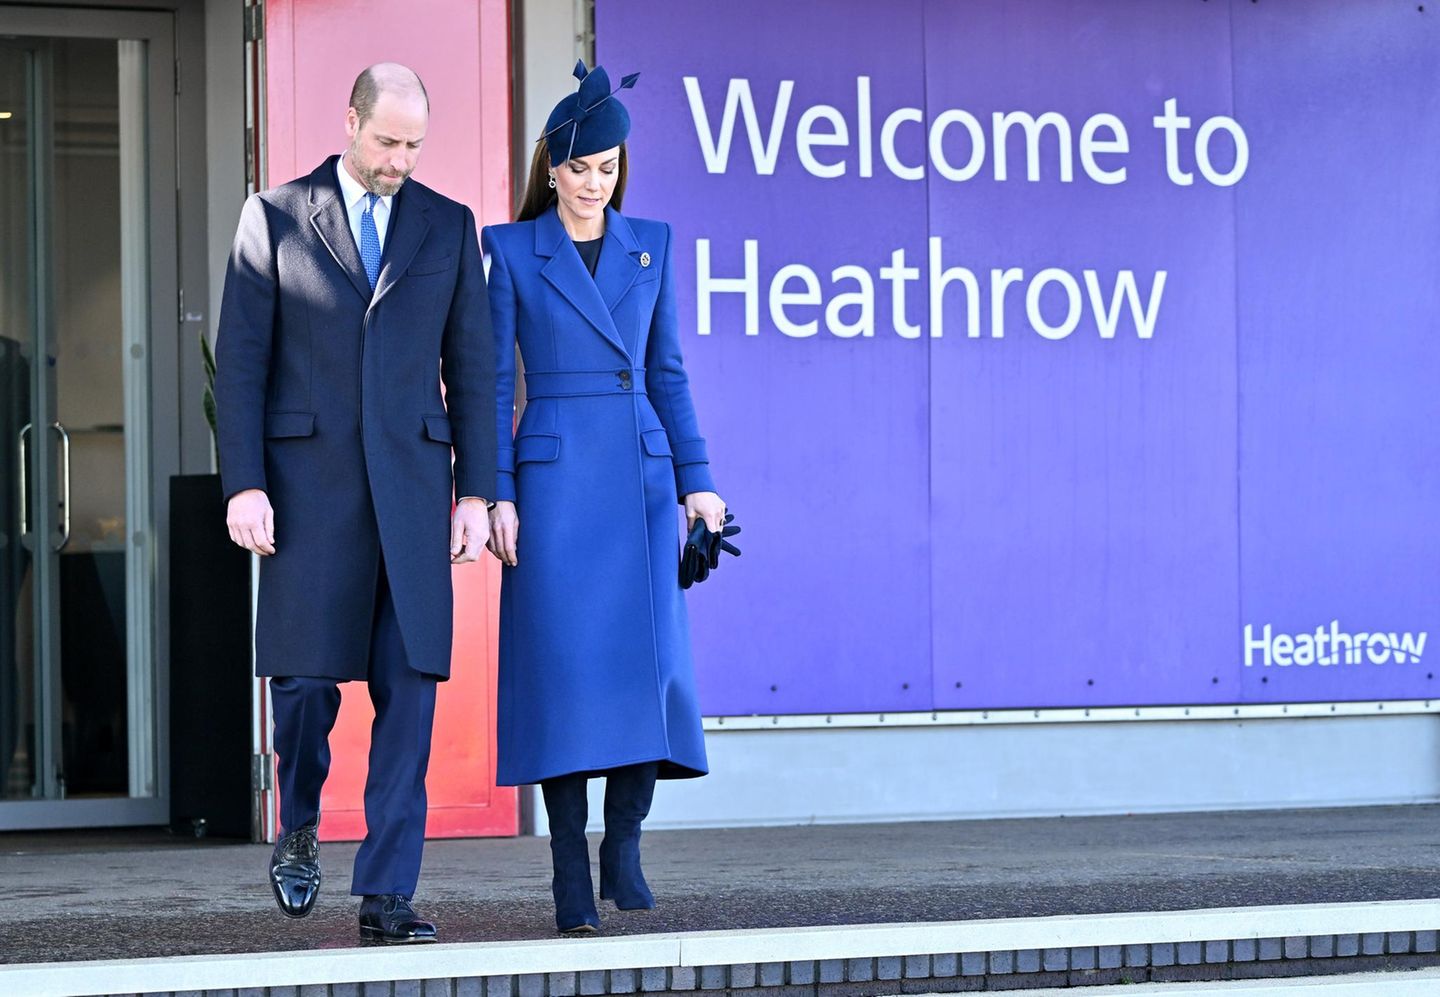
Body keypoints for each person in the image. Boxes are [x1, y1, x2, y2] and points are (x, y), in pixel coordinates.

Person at [214, 63, 496, 943]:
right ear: (350, 120)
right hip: (308, 495)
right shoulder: (275, 217)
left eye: (413, 146)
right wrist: (244, 483)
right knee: (300, 684)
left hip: (413, 497)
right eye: (386, 142)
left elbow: (477, 371)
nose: (399, 162)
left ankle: (386, 894)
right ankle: (299, 821)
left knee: (409, 695)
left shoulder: (449, 227)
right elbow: (244, 368)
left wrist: (478, 492)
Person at [481, 62, 726, 935]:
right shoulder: (507, 249)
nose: (595, 183)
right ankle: (567, 876)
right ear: (552, 167)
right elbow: (484, 384)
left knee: (638, 670)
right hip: (550, 487)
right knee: (563, 678)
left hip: (641, 481)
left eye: (609, 167)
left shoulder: (652, 242)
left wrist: (700, 484)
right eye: (581, 167)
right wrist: (495, 493)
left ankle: (622, 846)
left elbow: (669, 372)